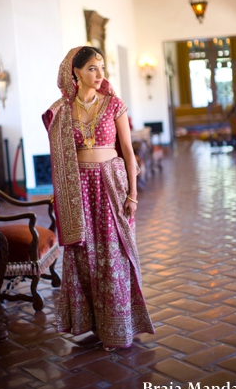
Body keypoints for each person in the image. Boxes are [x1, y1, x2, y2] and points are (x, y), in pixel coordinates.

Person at [42, 46, 154, 351]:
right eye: (92, 68)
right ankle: (92, 324)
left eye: (102, 67)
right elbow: (61, 158)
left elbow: (129, 154)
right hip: (79, 191)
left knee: (113, 255)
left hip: (110, 186)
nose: (100, 74)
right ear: (75, 72)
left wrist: (133, 193)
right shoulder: (62, 111)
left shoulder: (114, 104)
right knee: (85, 256)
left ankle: (119, 327)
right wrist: (60, 192)